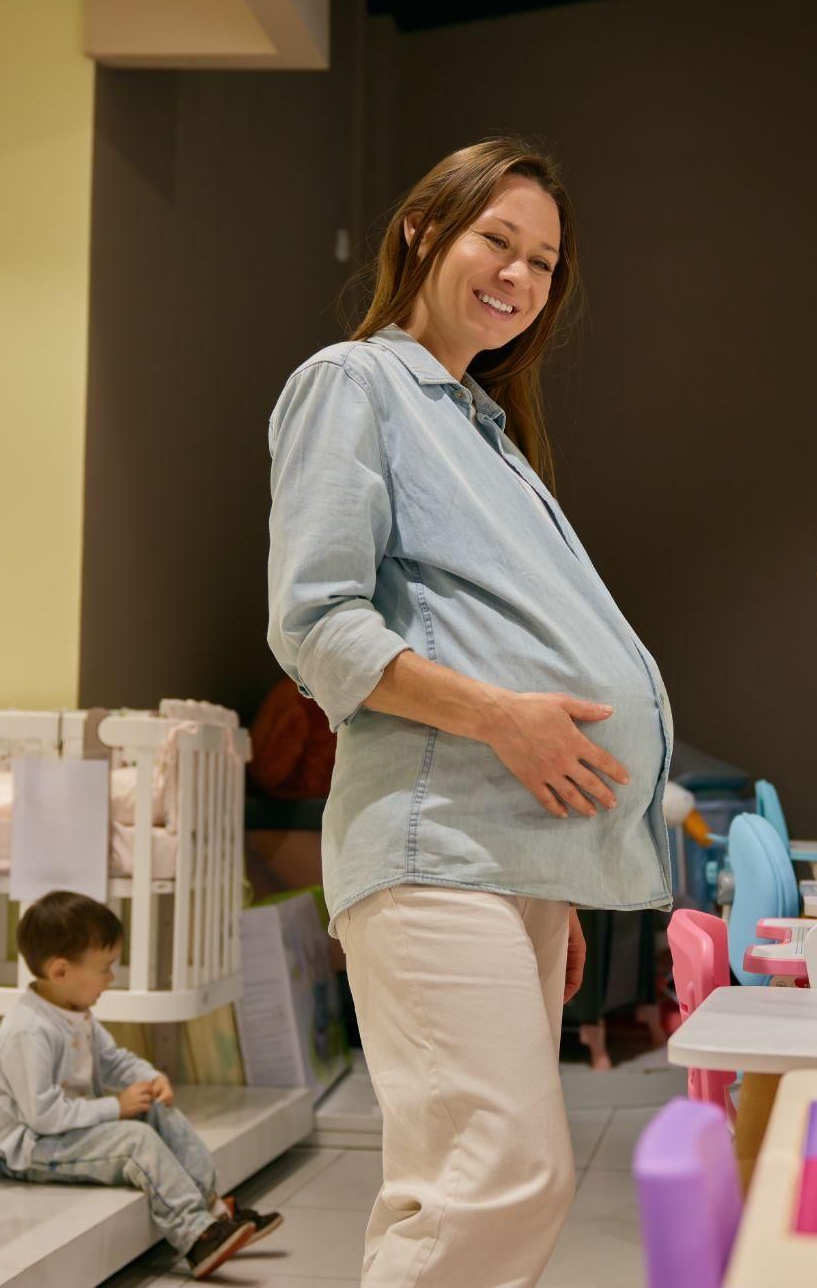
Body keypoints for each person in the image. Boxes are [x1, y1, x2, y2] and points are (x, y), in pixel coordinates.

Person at [267, 135, 676, 1285]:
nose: (520, 276)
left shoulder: (481, 426)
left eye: (544, 262)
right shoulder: (354, 385)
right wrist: (503, 720)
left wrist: (559, 862)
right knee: (501, 1175)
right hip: (429, 842)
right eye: (498, 239)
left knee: (451, 1181)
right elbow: (316, 623)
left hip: (500, 853)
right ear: (421, 231)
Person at [0, 892, 284, 1281]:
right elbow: (43, 1115)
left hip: (61, 1131)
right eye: (104, 968)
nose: (112, 977)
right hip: (26, 1147)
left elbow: (113, 1060)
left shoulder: (74, 1012)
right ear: (60, 971)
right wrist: (114, 1108)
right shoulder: (29, 1031)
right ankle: (196, 1235)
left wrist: (150, 1079)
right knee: (134, 1140)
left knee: (155, 1108)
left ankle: (213, 1208)